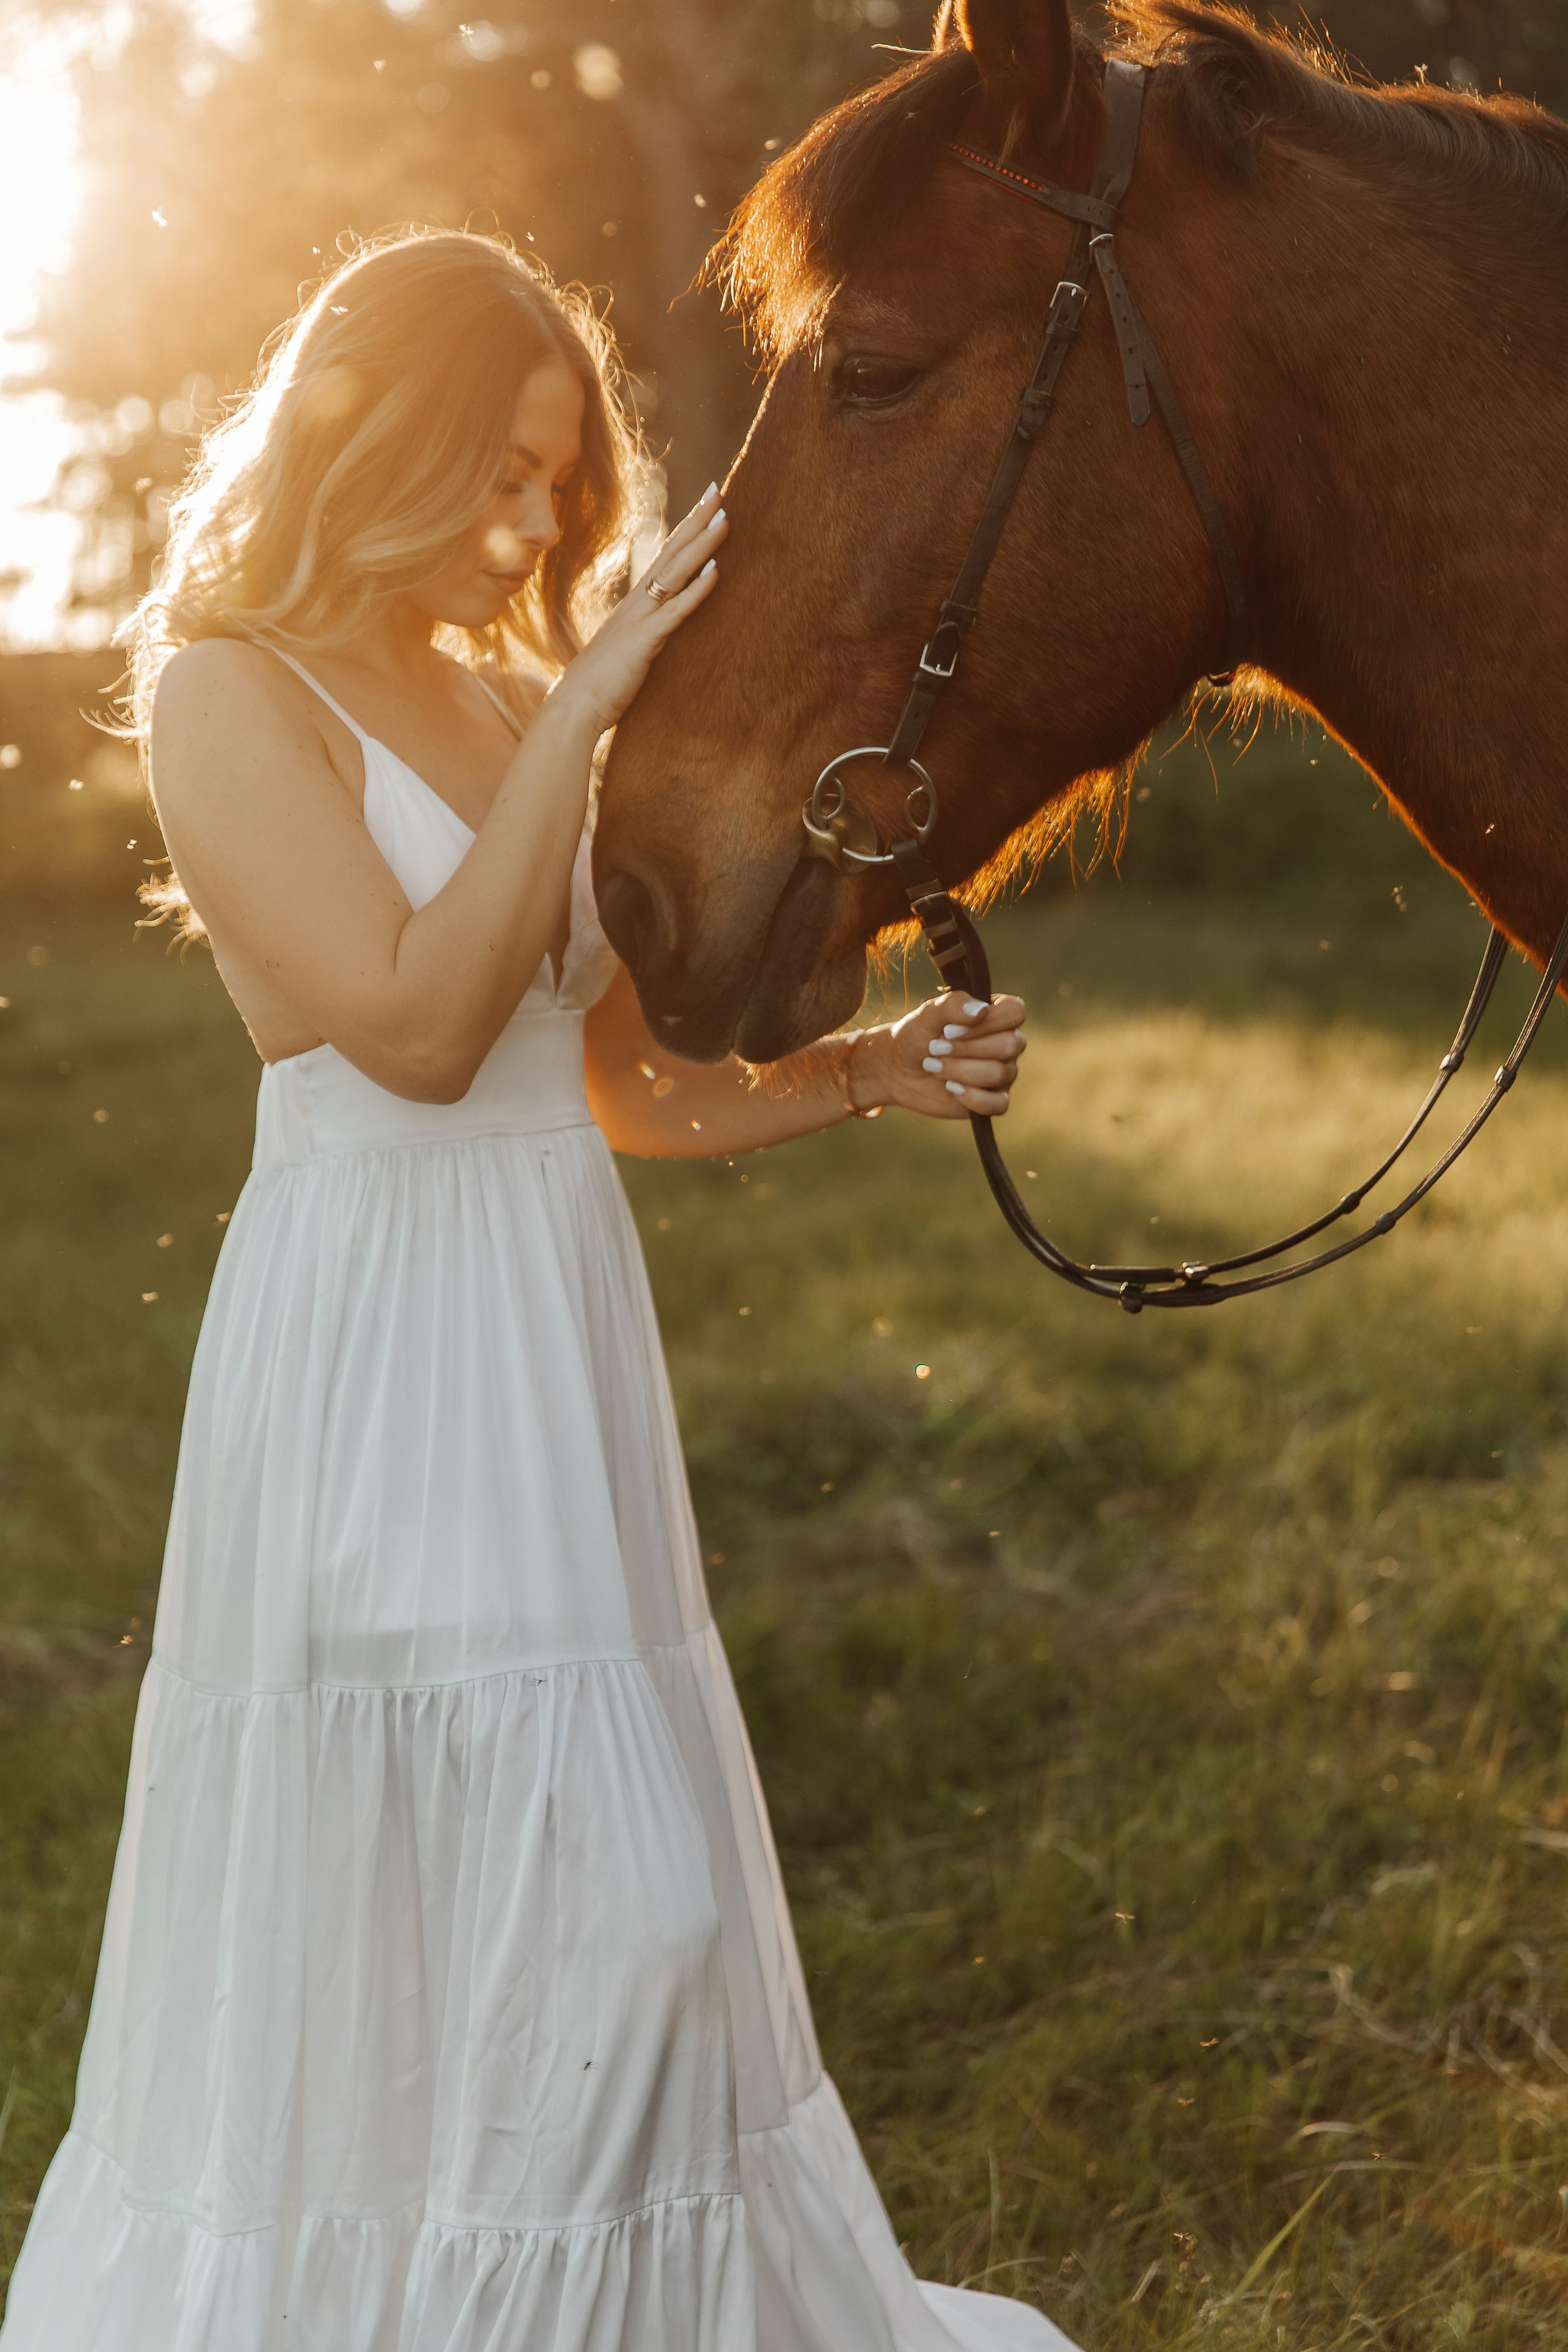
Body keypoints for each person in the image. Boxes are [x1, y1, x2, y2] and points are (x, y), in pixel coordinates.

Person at [0, 228, 1060, 2352]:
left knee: (627, 1905)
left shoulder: (500, 690)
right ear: (363, 439)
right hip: (374, 1354)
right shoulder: (226, 688)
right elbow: (407, 1029)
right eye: (494, 470)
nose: (527, 526)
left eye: (554, 486)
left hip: (546, 1329)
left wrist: (859, 1073)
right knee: (419, 1900)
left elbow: (615, 1086)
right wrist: (586, 708)